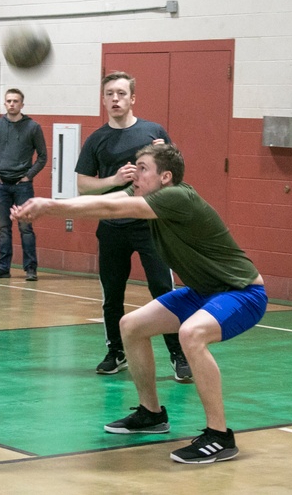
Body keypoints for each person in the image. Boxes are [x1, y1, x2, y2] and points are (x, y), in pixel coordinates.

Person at [14, 143, 266, 464]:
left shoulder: (178, 198)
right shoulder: (149, 197)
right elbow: (103, 200)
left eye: (143, 168)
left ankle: (219, 436)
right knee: (131, 326)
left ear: (166, 177)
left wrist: (48, 206)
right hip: (203, 292)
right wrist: (47, 204)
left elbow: (111, 211)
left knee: (192, 334)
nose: (136, 173)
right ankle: (151, 414)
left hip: (242, 292)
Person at [75, 71, 189, 381]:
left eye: (121, 93)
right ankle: (116, 352)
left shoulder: (153, 132)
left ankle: (178, 354)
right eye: (110, 93)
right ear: (103, 99)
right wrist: (113, 180)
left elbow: (174, 173)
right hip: (112, 226)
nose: (115, 98)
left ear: (132, 98)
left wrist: (163, 154)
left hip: (149, 225)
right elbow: (83, 185)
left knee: (163, 289)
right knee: (112, 294)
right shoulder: (96, 139)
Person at [0, 88, 47, 281]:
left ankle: (30, 269)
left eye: (15, 101)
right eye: (8, 101)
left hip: (22, 185)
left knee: (25, 227)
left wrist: (28, 176)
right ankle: (3, 267)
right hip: (1, 184)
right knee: (3, 227)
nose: (12, 104)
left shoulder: (33, 127)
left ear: (22, 104)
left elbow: (43, 156)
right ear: (5, 103)